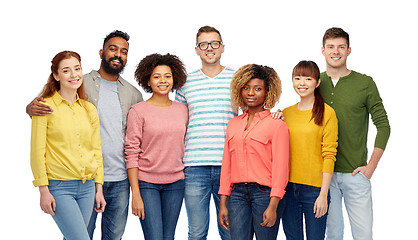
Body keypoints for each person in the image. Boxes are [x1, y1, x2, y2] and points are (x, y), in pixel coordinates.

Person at [26, 30, 143, 240]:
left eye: (124, 51)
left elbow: (100, 147)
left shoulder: (130, 95)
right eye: (113, 49)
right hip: (64, 182)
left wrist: (100, 187)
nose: (118, 54)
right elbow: (37, 146)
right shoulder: (71, 88)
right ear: (101, 52)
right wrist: (43, 189)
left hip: (106, 180)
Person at [319, 27, 390, 240]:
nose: (336, 51)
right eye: (331, 47)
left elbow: (384, 126)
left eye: (341, 47)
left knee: (363, 235)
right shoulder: (314, 82)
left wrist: (371, 167)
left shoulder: (364, 83)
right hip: (324, 176)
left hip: (356, 174)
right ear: (322, 50)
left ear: (349, 50)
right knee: (332, 235)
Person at [30, 51, 106, 240]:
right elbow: (37, 151)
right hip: (59, 187)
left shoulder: (89, 109)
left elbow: (96, 150)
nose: (74, 75)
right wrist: (43, 190)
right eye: (66, 70)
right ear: (56, 75)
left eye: (77, 69)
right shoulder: (44, 107)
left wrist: (99, 188)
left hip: (87, 187)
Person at [174, 25, 235, 240]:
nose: (209, 48)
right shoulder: (185, 83)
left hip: (229, 167)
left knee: (230, 231)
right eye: (204, 44)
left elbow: (250, 118)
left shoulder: (237, 80)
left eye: (214, 43)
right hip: (194, 167)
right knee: (197, 232)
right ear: (196, 49)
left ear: (222, 47)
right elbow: (178, 124)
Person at [218, 64, 289, 240]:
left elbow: (281, 169)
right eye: (246, 88)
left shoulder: (277, 125)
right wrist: (223, 203)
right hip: (237, 196)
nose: (251, 93)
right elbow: (227, 165)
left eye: (258, 89)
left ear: (267, 92)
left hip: (265, 195)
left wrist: (273, 205)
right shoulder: (233, 124)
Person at [124, 53, 188, 240]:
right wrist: (135, 193)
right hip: (146, 183)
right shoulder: (138, 111)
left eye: (167, 76)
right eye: (157, 76)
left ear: (174, 78)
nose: (163, 81)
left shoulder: (183, 110)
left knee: (168, 237)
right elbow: (131, 152)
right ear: (148, 80)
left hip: (176, 182)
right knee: (154, 237)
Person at [282, 60, 338, 240]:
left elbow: (329, 155)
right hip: (288, 189)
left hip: (315, 190)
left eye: (307, 78)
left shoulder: (327, 113)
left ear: (317, 82)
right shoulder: (286, 113)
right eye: (297, 78)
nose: (302, 83)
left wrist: (323, 194)